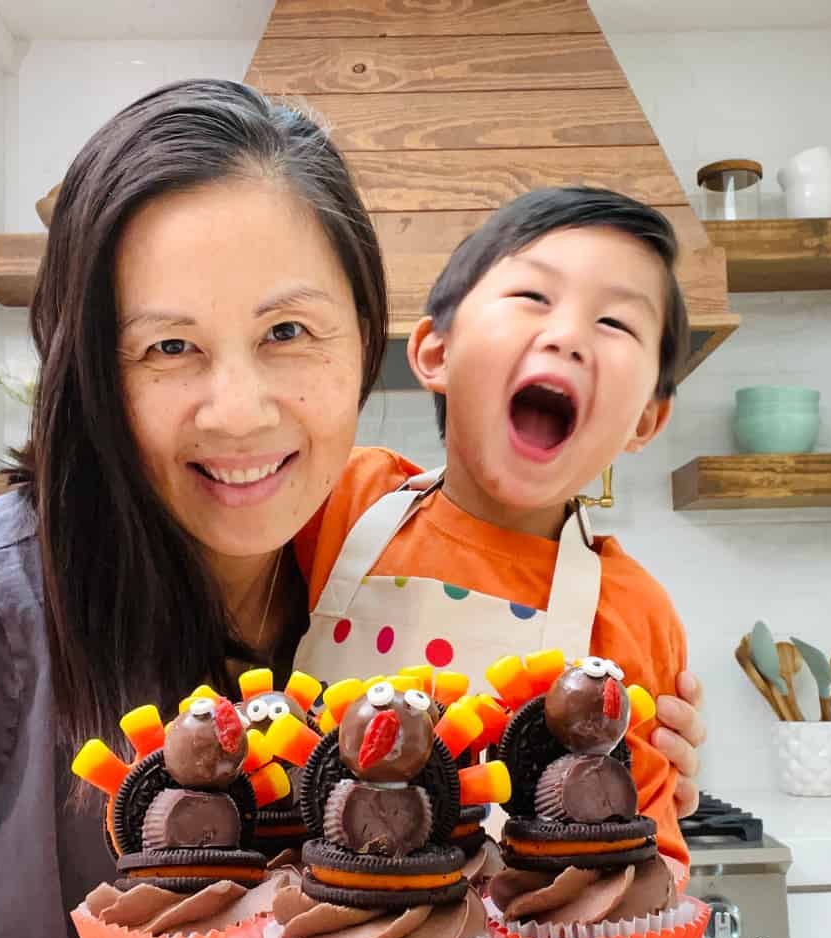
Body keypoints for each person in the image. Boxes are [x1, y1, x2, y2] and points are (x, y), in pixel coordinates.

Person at [0, 82, 703, 938]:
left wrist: (619, 774)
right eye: (167, 346)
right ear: (87, 371)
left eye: (288, 330)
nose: (239, 411)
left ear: (366, 338)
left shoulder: (372, 575)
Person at [294, 188, 702, 868]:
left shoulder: (631, 612)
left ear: (646, 422)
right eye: (532, 298)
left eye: (617, 323)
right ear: (435, 353)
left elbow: (645, 850)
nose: (567, 336)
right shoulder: (339, 501)